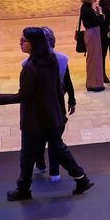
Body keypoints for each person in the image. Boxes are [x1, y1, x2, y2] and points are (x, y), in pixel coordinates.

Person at [0, 28, 93, 200]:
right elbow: (59, 89)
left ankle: (24, 189)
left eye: (23, 41)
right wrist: (61, 114)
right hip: (51, 115)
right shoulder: (52, 62)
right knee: (59, 149)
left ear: (33, 43)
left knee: (27, 154)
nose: (20, 43)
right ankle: (81, 179)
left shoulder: (29, 67)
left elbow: (24, 96)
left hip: (34, 119)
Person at [32, 27, 78, 182]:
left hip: (40, 107)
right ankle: (55, 172)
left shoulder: (29, 62)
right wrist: (72, 100)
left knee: (40, 137)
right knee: (55, 140)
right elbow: (68, 82)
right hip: (58, 106)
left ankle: (40, 165)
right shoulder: (63, 58)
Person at [79, 0, 105, 92]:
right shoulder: (89, 9)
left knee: (92, 60)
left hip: (90, 33)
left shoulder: (85, 7)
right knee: (95, 60)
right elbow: (99, 22)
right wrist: (100, 12)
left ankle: (91, 82)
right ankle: (95, 84)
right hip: (93, 34)